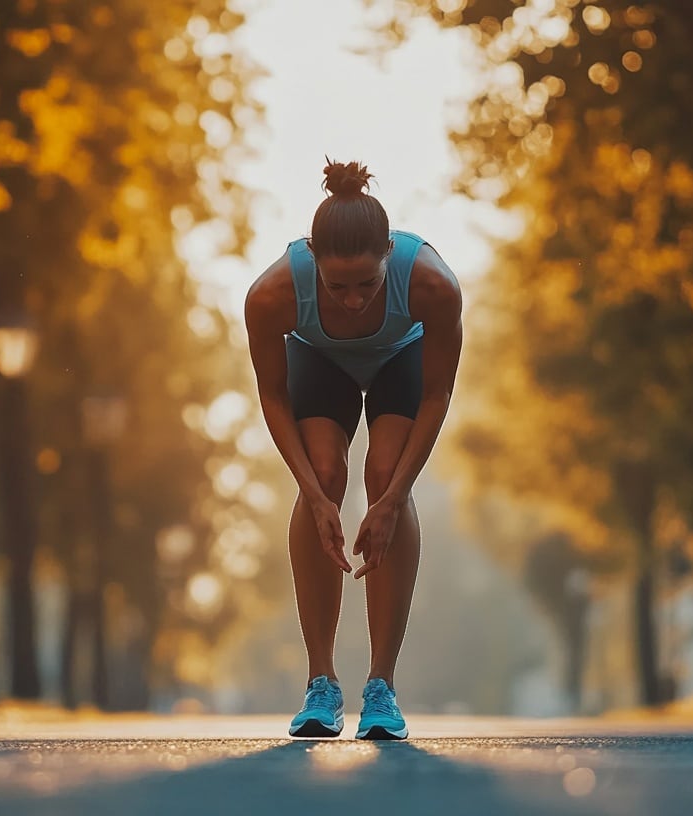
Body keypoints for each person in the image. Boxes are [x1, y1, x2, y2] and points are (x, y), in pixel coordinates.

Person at [244, 158, 463, 740]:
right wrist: (313, 496)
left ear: (390, 253)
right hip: (319, 361)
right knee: (324, 471)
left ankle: (381, 688)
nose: (351, 301)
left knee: (386, 470)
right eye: (335, 287)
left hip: (401, 357)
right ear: (311, 258)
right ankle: (321, 683)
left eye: (368, 284)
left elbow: (437, 393)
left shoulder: (433, 286)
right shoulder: (271, 296)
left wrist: (393, 499)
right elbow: (272, 398)